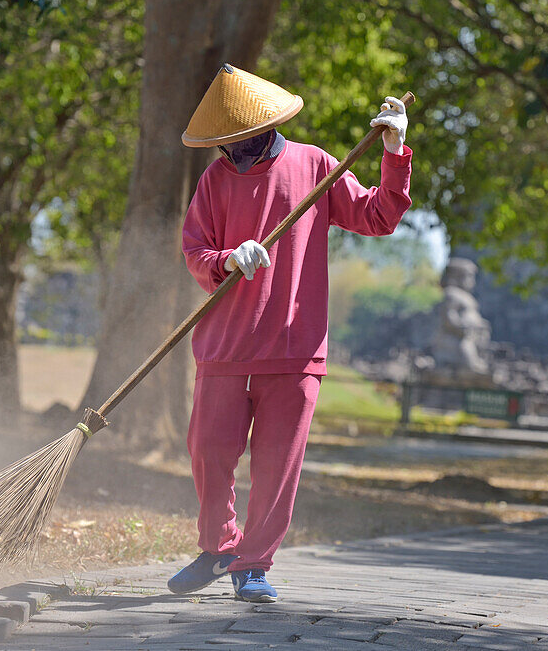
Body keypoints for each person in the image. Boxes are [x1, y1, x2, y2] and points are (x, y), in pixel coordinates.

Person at [167, 64, 411, 602]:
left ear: (266, 125)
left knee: (277, 465)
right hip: (225, 347)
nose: (231, 150)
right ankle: (219, 547)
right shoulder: (214, 180)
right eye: (223, 143)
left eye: (239, 139)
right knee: (209, 452)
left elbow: (378, 216)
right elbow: (195, 251)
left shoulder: (316, 165)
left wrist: (394, 152)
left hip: (293, 347)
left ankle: (253, 565)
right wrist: (228, 260)